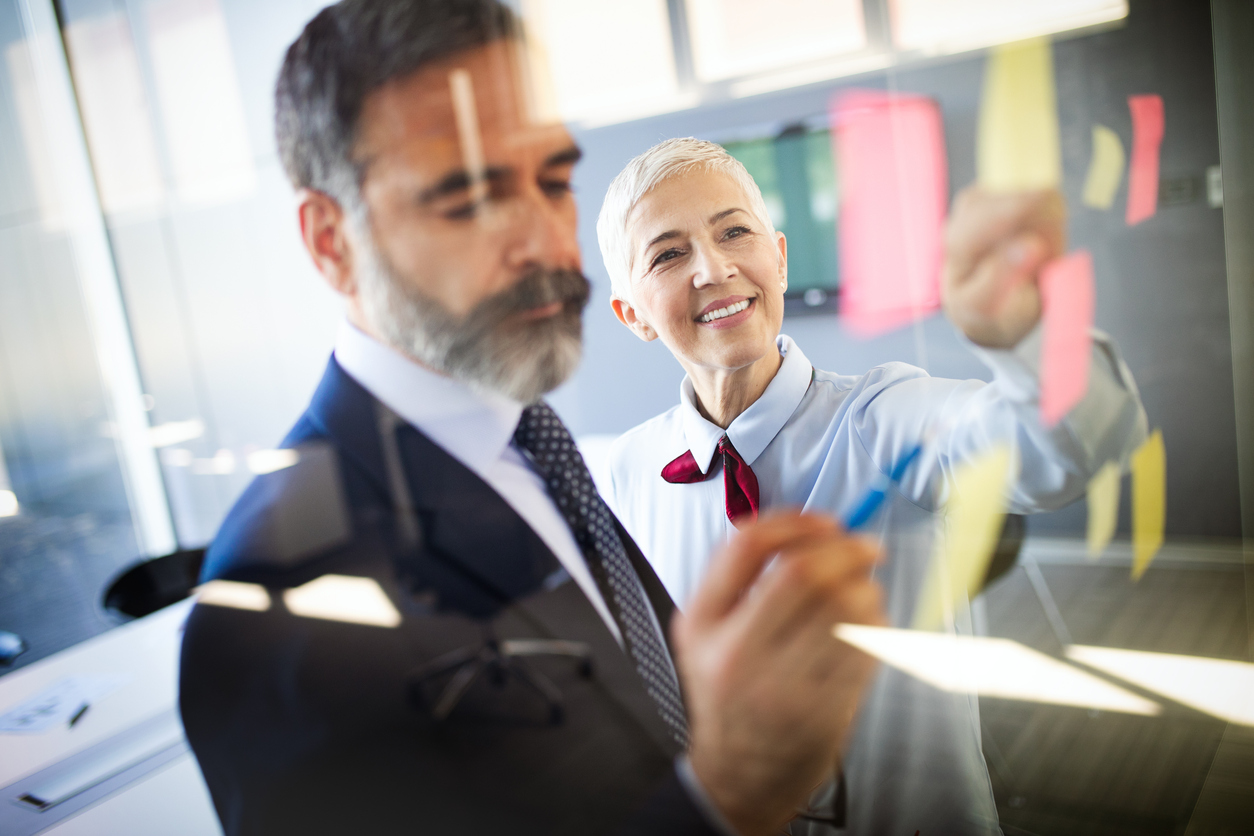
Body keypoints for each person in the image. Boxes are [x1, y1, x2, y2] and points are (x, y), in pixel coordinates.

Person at [178, 3, 885, 835]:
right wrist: (727, 797)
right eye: (469, 196)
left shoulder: (535, 444)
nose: (544, 242)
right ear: (332, 241)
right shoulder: (277, 616)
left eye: (551, 182)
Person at [596, 138, 1149, 835]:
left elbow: (1059, 449)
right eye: (668, 254)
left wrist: (1027, 338)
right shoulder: (624, 473)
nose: (715, 267)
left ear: (781, 258)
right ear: (633, 315)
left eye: (735, 231)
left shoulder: (883, 418)